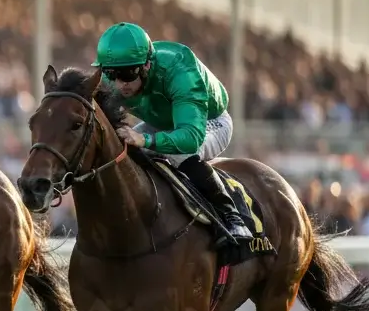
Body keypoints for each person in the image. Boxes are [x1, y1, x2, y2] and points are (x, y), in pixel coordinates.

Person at [93, 22, 253, 247]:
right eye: (111, 74)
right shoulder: (113, 79)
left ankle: (232, 217)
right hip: (160, 123)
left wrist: (146, 140)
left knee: (178, 153)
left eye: (127, 74)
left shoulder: (179, 69)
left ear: (147, 65)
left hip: (208, 122)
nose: (120, 84)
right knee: (118, 148)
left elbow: (190, 137)